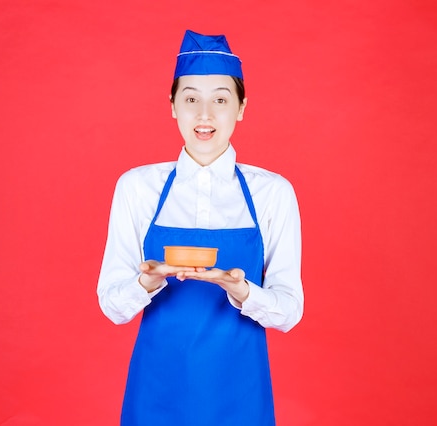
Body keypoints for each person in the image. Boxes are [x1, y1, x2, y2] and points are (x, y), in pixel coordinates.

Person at [97, 29, 304, 426]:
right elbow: (111, 305)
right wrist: (148, 282)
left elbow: (290, 310)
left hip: (240, 391)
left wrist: (241, 290)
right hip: (156, 390)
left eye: (221, 100)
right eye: (190, 98)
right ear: (172, 105)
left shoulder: (272, 193)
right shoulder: (137, 187)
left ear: (241, 107)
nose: (204, 115)